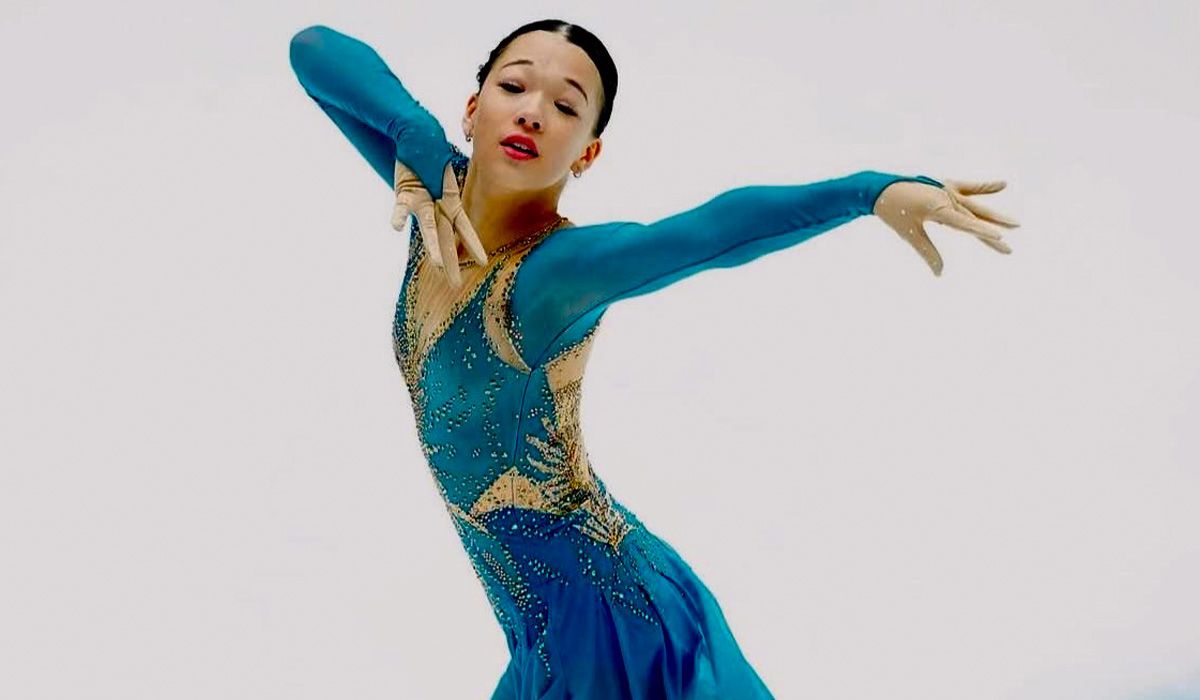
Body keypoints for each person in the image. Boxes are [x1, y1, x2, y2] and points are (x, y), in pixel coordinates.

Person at [288, 19, 1018, 700]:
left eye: (566, 107)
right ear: (473, 109)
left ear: (588, 153)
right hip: (543, 629)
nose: (533, 112)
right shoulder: (428, 202)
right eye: (513, 86)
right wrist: (410, 131)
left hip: (611, 625)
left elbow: (709, 231)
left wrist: (869, 191)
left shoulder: (558, 273)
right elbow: (312, 50)